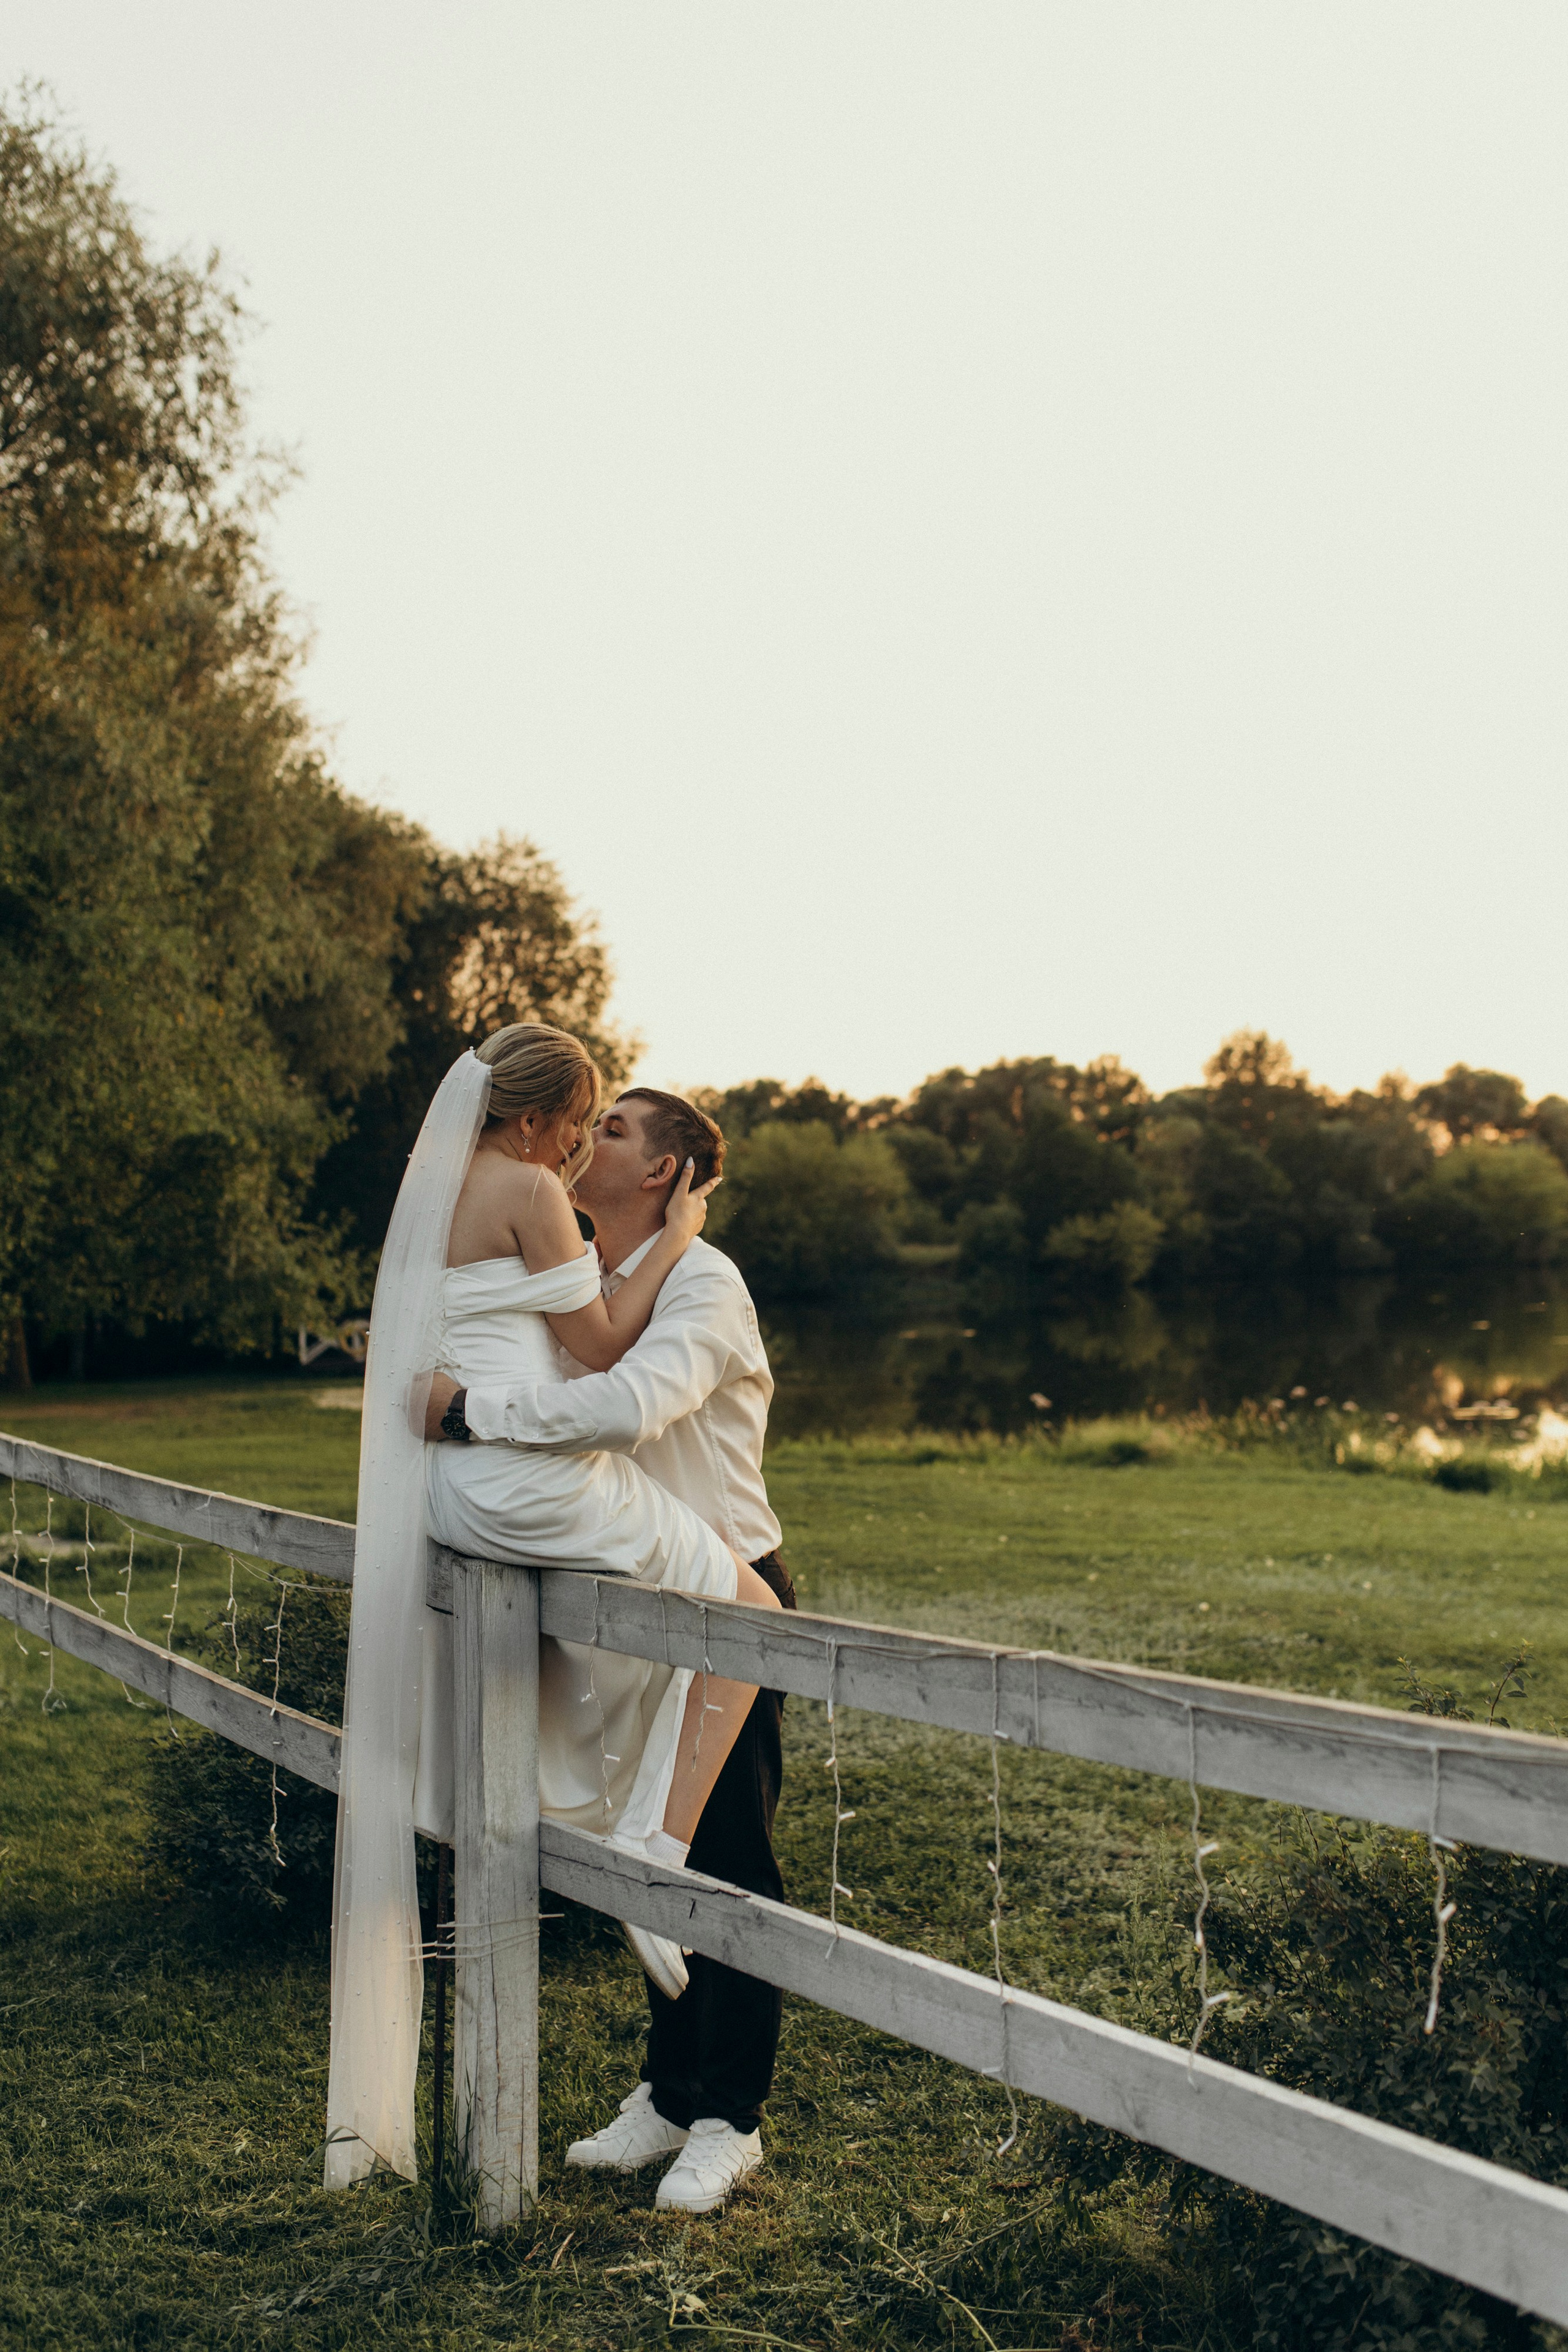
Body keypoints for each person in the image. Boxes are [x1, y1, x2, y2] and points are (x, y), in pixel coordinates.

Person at [326, 1027, 780, 2196]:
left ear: (664, 1171)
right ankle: (668, 2094)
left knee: (725, 1855)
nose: (588, 1138)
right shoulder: (571, 1255)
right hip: (619, 1575)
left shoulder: (703, 1282)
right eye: (587, 1116)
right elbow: (563, 1370)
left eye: (614, 1128)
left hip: (725, 1574)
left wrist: (466, 1414)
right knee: (643, 1823)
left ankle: (730, 2116)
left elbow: (623, 1404)